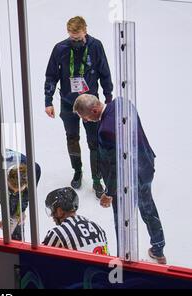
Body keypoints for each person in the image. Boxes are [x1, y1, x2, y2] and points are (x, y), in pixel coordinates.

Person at [73, 93, 166, 264]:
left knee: (121, 218)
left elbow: (117, 167)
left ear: (94, 110)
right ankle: (158, 248)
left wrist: (109, 193)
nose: (85, 121)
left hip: (126, 181)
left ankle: (124, 256)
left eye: (84, 117)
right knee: (148, 208)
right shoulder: (122, 102)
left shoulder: (106, 131)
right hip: (145, 165)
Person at [43, 16, 113, 197]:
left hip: (90, 103)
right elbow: (51, 76)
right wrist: (48, 101)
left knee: (94, 141)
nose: (75, 41)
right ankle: (78, 171)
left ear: (85, 31)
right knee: (72, 138)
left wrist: (108, 96)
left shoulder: (96, 46)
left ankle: (97, 179)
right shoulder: (60, 48)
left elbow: (104, 72)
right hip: (68, 103)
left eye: (78, 38)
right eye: (72, 38)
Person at [42, 187, 109, 255]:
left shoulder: (57, 233)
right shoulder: (98, 227)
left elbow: (40, 259)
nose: (52, 216)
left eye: (51, 211)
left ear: (60, 211)